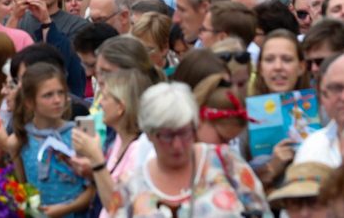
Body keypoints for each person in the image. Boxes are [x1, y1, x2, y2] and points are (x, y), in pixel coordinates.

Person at [108, 81, 270, 217]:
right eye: (167, 136)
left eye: (184, 132)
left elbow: (262, 212)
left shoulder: (225, 162)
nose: (177, 144)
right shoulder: (130, 187)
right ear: (149, 134)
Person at [11, 62, 95, 217]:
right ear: (30, 102)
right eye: (48, 95)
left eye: (61, 93)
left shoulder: (81, 132)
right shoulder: (22, 137)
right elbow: (23, 186)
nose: (57, 100)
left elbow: (93, 188)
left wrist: (66, 208)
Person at [70, 69, 148, 218]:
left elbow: (117, 207)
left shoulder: (138, 150)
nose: (100, 104)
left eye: (105, 98)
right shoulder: (119, 139)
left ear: (120, 107)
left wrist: (96, 159)